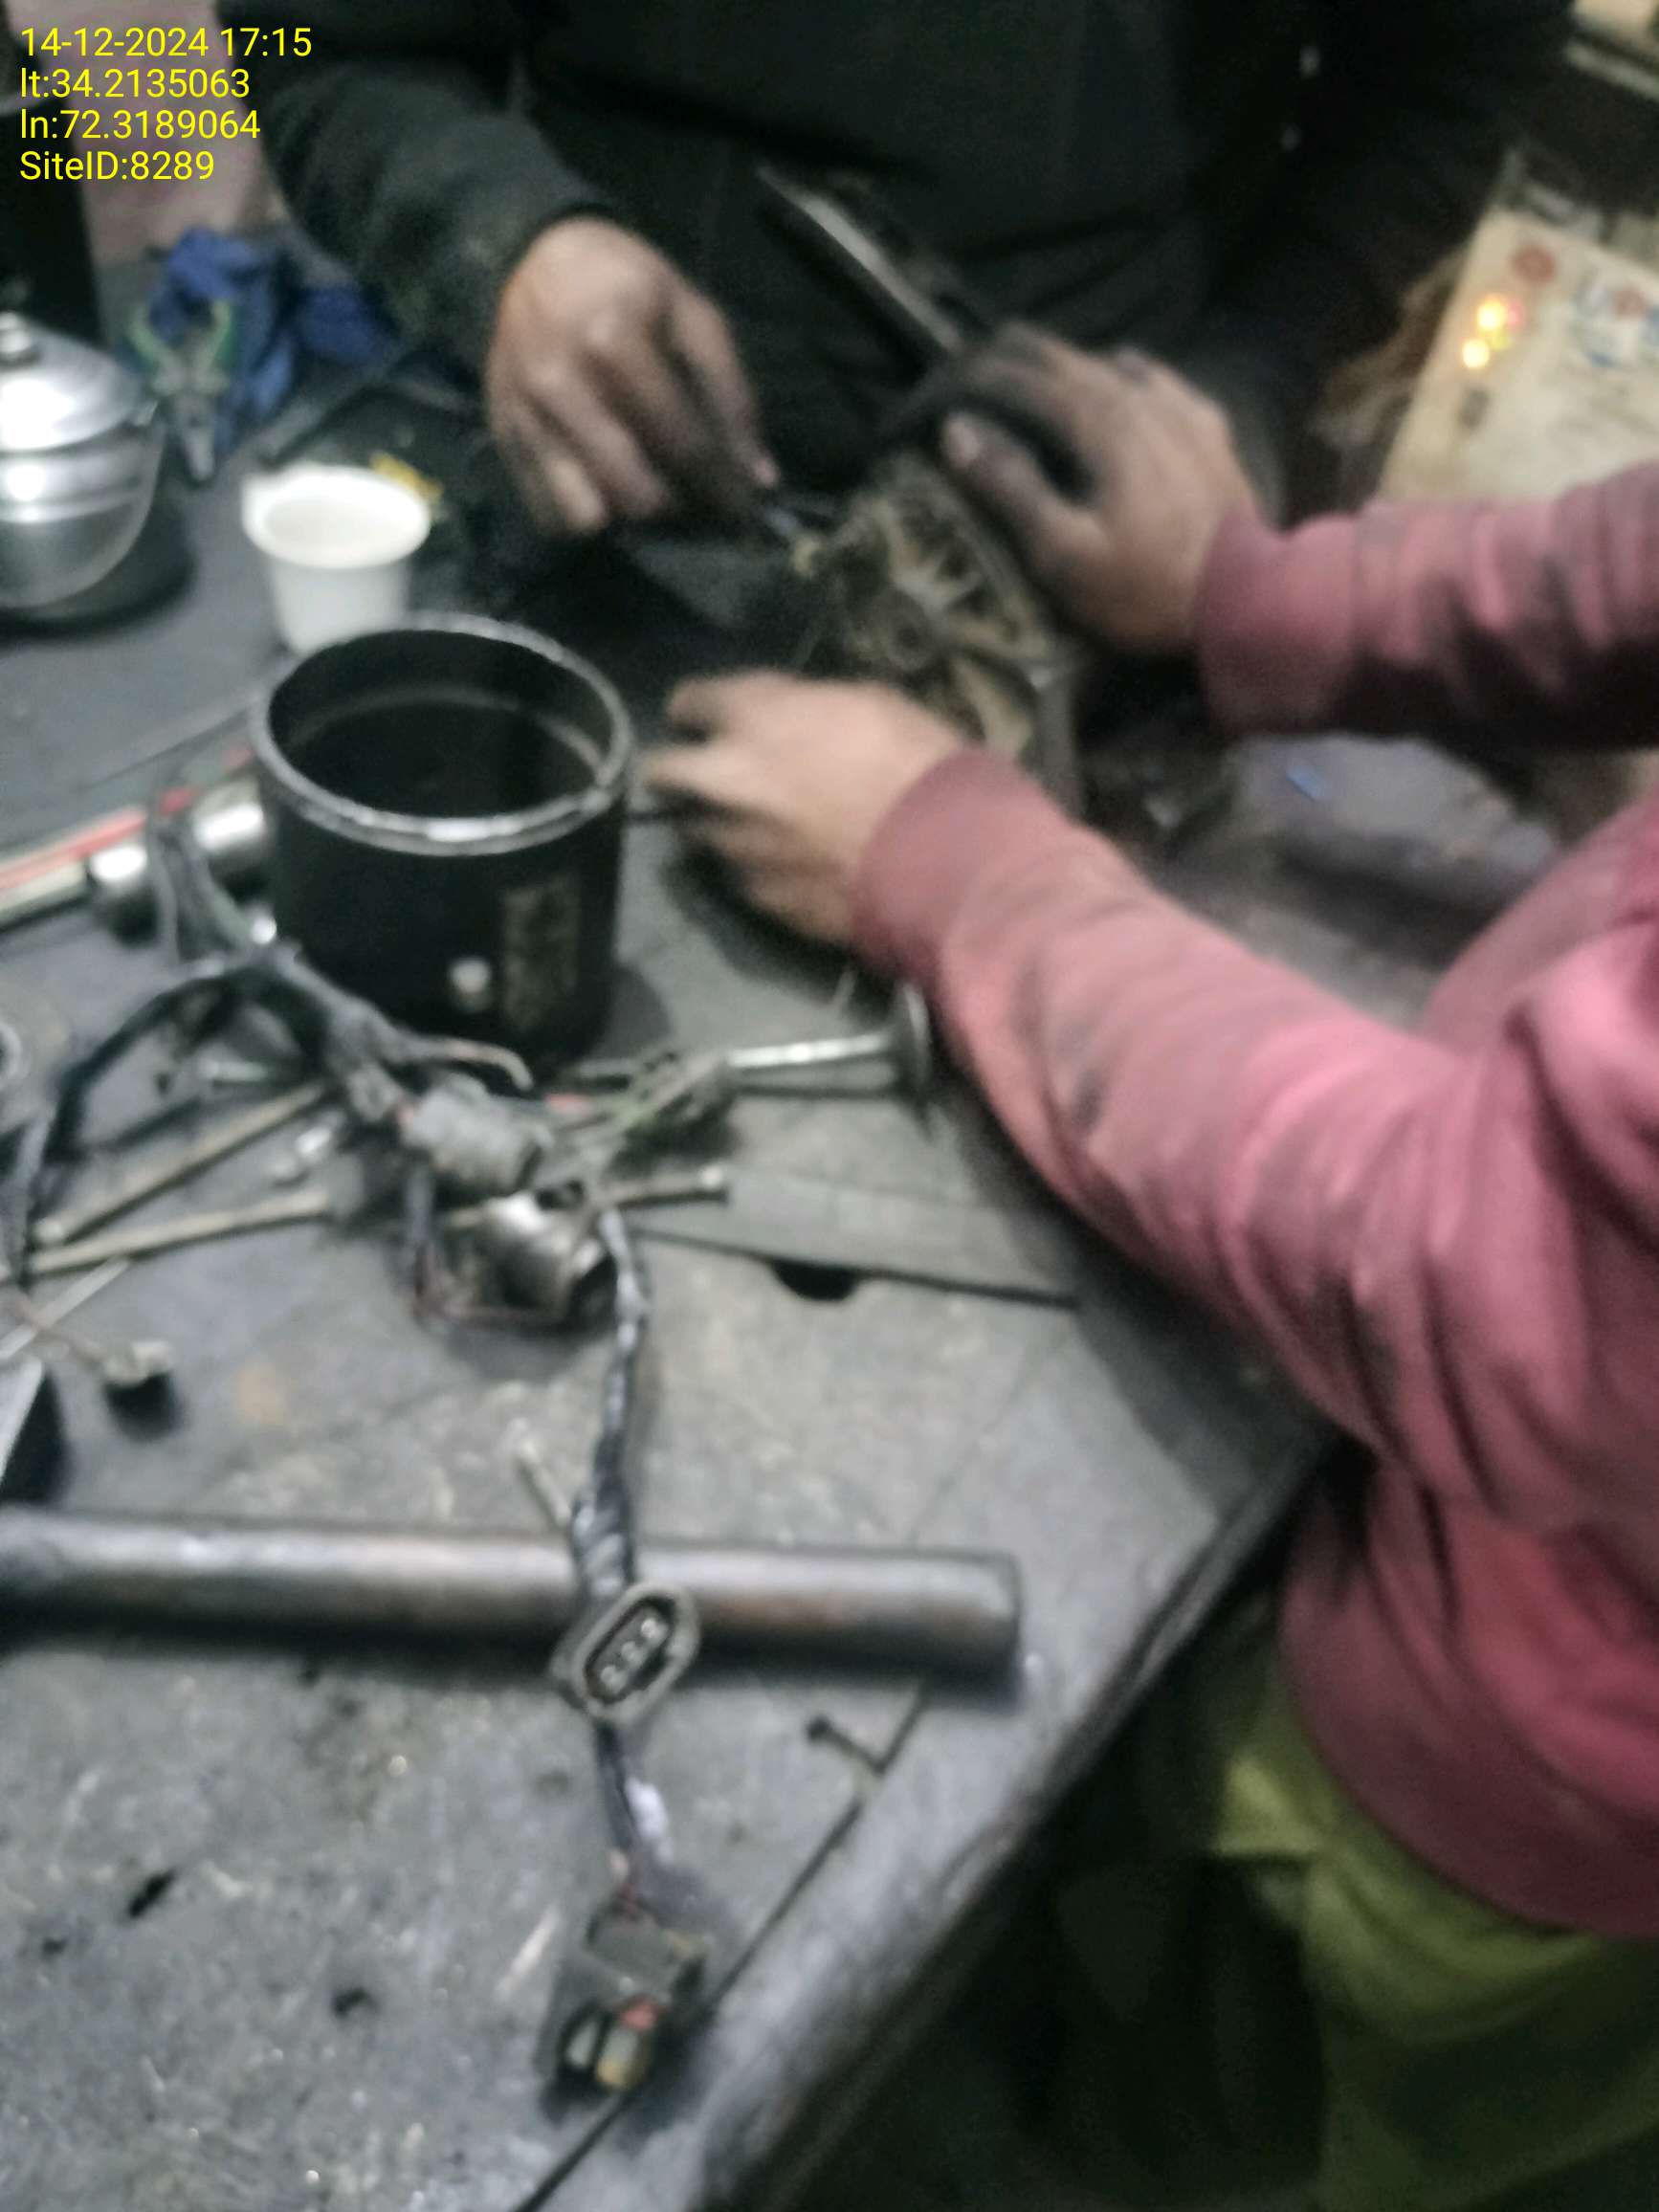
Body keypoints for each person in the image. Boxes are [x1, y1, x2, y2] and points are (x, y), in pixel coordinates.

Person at [642, 333, 1659, 2208]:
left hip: (1513, 1773)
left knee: (1212, 2099)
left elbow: (1492, 1268)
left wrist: (961, 872)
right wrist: (1261, 601)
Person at [232, 0, 1566, 533]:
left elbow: (1452, 85)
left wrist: (1252, 378)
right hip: (590, 496)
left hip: (1092, 543)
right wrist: (506, 241)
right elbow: (308, 41)